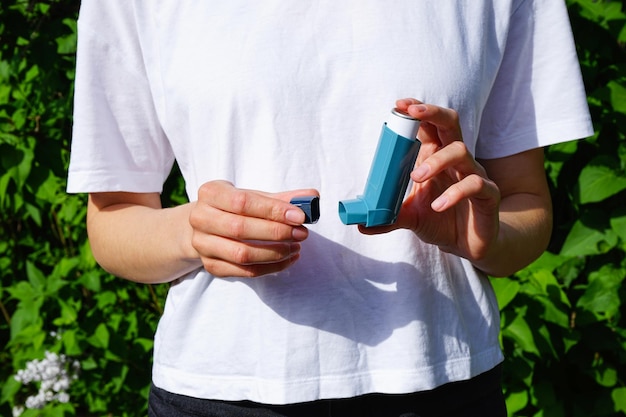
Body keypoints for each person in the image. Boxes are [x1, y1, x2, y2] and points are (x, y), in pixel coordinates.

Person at [67, 1, 593, 416]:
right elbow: (113, 219)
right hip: (222, 392)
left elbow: (527, 204)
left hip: (443, 382)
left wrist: (487, 235)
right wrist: (192, 234)